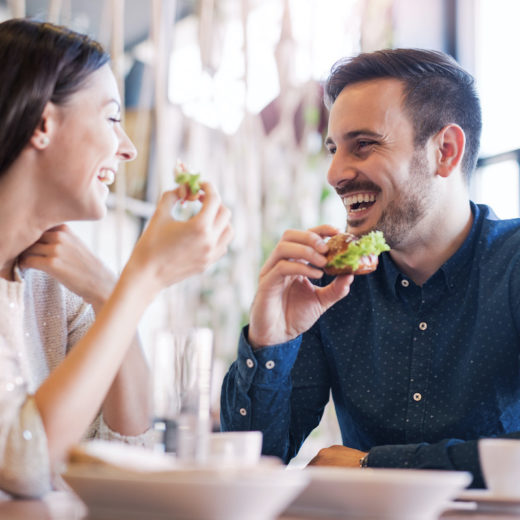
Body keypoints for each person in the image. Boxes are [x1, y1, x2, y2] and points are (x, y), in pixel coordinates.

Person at [221, 47, 520, 488]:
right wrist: (270, 342)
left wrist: (376, 466)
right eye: (333, 149)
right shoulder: (326, 286)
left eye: (364, 145)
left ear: (446, 151)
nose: (335, 173)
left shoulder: (511, 264)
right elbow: (252, 465)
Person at [0, 19, 233, 498]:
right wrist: (141, 280)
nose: (127, 148)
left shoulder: (53, 282)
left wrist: (110, 293)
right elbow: (22, 465)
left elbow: (128, 443)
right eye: (111, 118)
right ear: (43, 124)